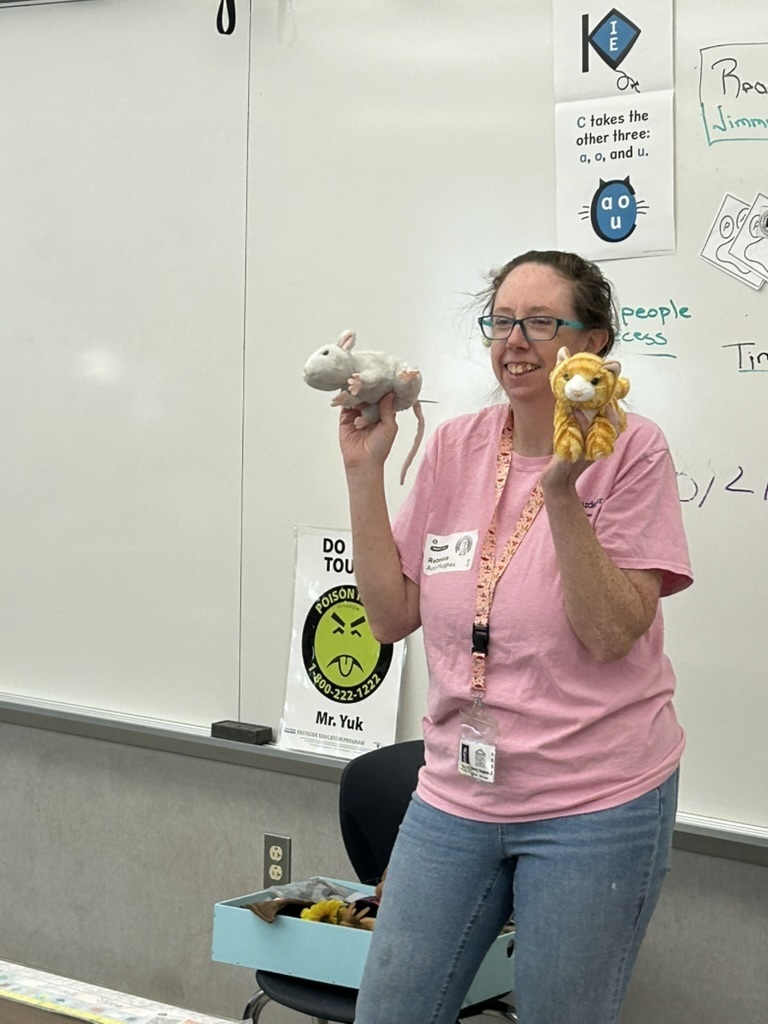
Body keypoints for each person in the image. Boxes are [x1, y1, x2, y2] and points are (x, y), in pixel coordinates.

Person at [338, 250, 692, 1024]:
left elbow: (610, 633)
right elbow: (391, 616)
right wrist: (365, 473)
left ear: (592, 344)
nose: (514, 341)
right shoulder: (459, 445)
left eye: (541, 322)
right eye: (501, 321)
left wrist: (561, 488)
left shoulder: (634, 450)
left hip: (596, 798)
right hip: (457, 789)